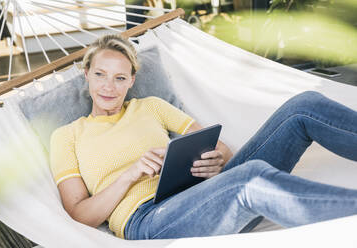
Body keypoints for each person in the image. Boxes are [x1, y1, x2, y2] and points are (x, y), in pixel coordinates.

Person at [49, 34, 357, 240]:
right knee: (251, 179)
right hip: (150, 219)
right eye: (100, 74)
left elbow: (216, 146)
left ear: (131, 80)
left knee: (303, 107)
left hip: (207, 192)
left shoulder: (151, 106)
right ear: (86, 73)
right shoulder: (67, 136)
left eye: (119, 78)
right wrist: (129, 175)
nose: (109, 87)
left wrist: (214, 161)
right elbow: (80, 214)